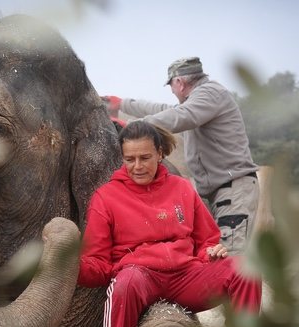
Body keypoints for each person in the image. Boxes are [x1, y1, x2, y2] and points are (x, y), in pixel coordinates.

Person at [77, 121, 262, 327]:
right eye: (130, 159)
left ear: (160, 154)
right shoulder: (106, 198)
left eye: (145, 158)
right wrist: (70, 267)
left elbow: (207, 240)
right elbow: (98, 263)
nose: (137, 166)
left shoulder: (181, 189)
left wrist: (211, 252)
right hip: (139, 276)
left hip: (186, 276)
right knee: (122, 285)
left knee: (245, 270)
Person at [103, 56, 259, 256]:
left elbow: (180, 116)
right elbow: (164, 110)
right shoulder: (201, 99)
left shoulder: (211, 93)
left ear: (179, 82)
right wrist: (123, 104)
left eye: (171, 86)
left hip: (233, 189)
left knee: (230, 256)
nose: (172, 91)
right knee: (217, 255)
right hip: (222, 190)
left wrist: (133, 128)